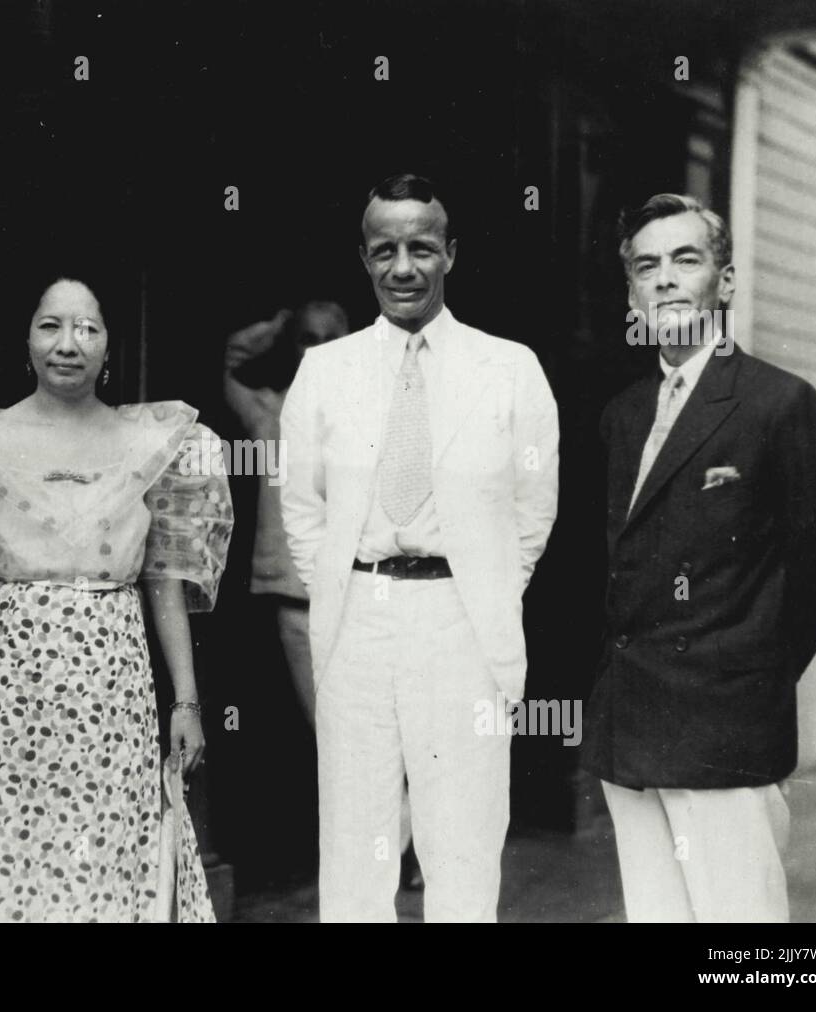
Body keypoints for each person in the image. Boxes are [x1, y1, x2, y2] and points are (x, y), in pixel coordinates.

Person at [0, 276, 234, 923]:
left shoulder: (154, 442)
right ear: (26, 342)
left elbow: (162, 579)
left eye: (87, 328)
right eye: (51, 325)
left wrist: (185, 700)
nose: (68, 344)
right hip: (3, 692)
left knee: (104, 863)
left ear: (109, 348)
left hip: (111, 693)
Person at [280, 173, 560, 921]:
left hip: (462, 619)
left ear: (451, 254)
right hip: (358, 622)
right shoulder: (324, 371)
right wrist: (346, 587)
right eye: (386, 250)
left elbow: (533, 512)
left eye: (422, 248)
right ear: (366, 259)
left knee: (462, 844)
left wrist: (482, 589)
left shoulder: (509, 368)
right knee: (355, 846)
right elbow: (302, 509)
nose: (403, 267)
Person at [584, 193, 816, 922]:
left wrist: (747, 673)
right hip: (631, 730)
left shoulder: (779, 404)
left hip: (724, 729)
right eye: (647, 266)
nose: (665, 279)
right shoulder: (622, 415)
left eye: (685, 259)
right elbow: (608, 566)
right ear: (633, 292)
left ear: (725, 281)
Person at [223, 302, 348, 724]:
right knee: (328, 730)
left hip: (361, 598)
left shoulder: (374, 413)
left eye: (330, 339)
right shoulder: (269, 414)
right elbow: (232, 362)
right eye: (307, 338)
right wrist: (275, 325)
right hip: (296, 601)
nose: (319, 350)